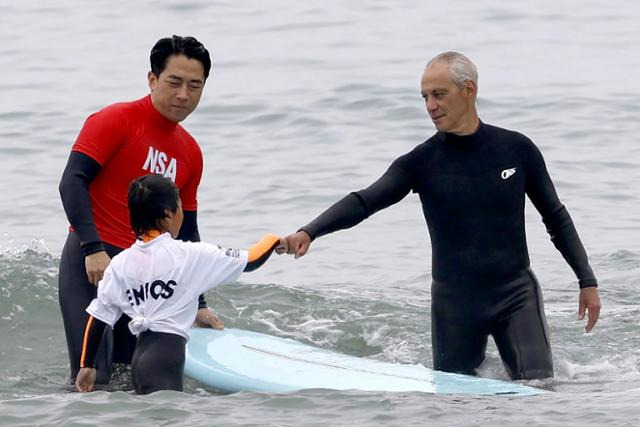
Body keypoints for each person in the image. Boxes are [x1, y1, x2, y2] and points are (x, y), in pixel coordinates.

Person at [283, 51, 601, 380]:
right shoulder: (421, 163)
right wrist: (309, 232)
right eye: (425, 97)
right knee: (454, 401)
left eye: (438, 94)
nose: (430, 106)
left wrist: (586, 281)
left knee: (540, 388)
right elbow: (366, 200)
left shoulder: (516, 149)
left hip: (515, 295)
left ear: (469, 90)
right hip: (455, 305)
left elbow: (555, 216)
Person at [58, 35, 222, 385]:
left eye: (195, 85)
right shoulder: (115, 120)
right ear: (152, 79)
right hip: (94, 265)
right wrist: (92, 248)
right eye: (174, 82)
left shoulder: (190, 152)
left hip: (147, 278)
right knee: (92, 377)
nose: (183, 94)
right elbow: (71, 182)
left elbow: (187, 231)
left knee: (131, 377)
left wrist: (198, 301)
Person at [75, 174, 286, 394]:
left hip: (140, 360)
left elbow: (98, 317)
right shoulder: (188, 254)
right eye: (180, 206)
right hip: (164, 362)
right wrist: (274, 239)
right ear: (168, 214)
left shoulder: (121, 263)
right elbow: (251, 260)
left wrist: (87, 366)